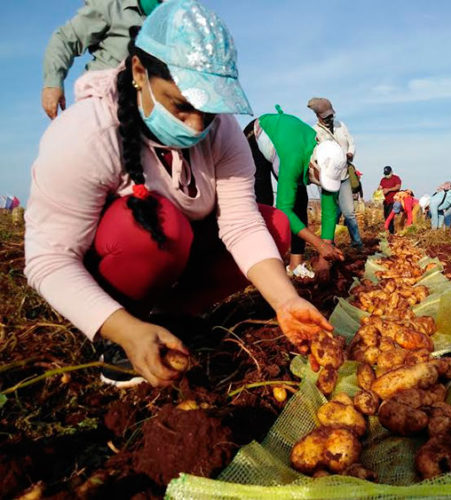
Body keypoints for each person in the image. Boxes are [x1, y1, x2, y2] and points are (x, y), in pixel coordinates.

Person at [24, 0, 333, 389]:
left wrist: (285, 301)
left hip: (182, 251)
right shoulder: (87, 135)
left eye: (209, 110)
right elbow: (47, 259)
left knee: (273, 225)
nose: (197, 124)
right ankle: (122, 331)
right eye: (182, 106)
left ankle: (174, 316)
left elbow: (241, 225)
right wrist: (122, 327)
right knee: (160, 225)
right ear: (139, 72)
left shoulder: (221, 132)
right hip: (120, 260)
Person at [244, 107, 347, 279]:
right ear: (313, 165)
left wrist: (325, 256)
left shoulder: (332, 163)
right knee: (264, 202)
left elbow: (329, 212)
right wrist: (319, 244)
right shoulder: (294, 160)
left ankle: (295, 264)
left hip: (289, 142)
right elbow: (283, 209)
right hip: (257, 134)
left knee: (300, 203)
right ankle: (261, 259)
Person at [42, 0, 165, 120]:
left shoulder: (178, 17)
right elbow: (65, 39)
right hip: (101, 105)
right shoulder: (110, 5)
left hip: (144, 116)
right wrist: (53, 83)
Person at [307, 97, 363, 249]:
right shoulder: (314, 132)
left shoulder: (340, 125)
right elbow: (315, 156)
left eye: (331, 115)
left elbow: (351, 142)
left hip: (343, 175)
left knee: (349, 212)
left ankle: (357, 243)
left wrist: (350, 153)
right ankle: (329, 244)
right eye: (326, 117)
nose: (330, 119)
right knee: (329, 211)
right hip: (327, 178)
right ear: (318, 116)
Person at [379, 166, 402, 234]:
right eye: (385, 174)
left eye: (388, 173)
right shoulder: (383, 180)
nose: (387, 175)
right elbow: (380, 187)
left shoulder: (396, 178)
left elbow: (398, 187)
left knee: (390, 216)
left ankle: (391, 232)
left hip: (393, 201)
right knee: (386, 216)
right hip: (385, 201)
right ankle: (388, 231)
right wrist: (379, 190)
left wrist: (388, 190)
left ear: (391, 172)